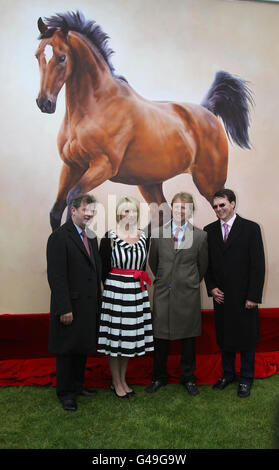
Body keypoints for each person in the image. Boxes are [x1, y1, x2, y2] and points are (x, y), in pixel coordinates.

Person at [204, 189, 265, 398]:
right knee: (225, 337)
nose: (219, 209)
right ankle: (228, 374)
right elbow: (207, 265)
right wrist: (211, 287)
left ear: (232, 204)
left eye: (222, 205)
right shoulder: (209, 231)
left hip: (244, 297)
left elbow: (258, 266)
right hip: (221, 297)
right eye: (215, 206)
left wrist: (253, 296)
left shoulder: (251, 229)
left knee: (247, 339)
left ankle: (246, 378)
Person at [145, 192, 208, 396]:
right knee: (160, 337)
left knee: (188, 339)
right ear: (171, 208)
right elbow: (153, 262)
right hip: (163, 292)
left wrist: (186, 282)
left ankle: (188, 378)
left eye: (186, 207)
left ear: (191, 211)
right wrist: (166, 279)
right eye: (178, 206)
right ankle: (158, 377)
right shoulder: (157, 233)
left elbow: (202, 266)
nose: (181, 211)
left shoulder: (200, 235)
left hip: (188, 294)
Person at [47, 193, 101, 411]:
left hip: (87, 305)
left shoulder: (91, 236)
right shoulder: (59, 237)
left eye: (92, 211)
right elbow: (56, 276)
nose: (89, 214)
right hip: (70, 306)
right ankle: (66, 393)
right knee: (67, 350)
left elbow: (94, 271)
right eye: (85, 210)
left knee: (81, 347)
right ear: (73, 210)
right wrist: (64, 307)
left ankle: (78, 386)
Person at [97, 196, 154, 398]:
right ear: (119, 214)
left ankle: (122, 379)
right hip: (115, 292)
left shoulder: (144, 237)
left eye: (133, 211)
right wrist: (109, 293)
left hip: (136, 292)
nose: (130, 215)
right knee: (115, 340)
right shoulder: (109, 237)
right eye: (125, 211)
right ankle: (116, 381)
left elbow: (142, 266)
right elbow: (102, 270)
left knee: (128, 337)